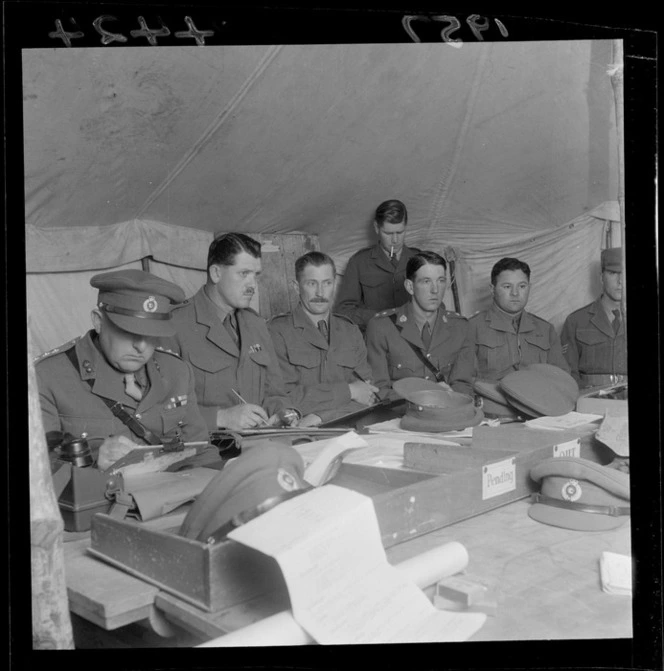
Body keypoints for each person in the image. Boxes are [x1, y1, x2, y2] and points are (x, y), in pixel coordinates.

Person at [35, 269, 209, 461]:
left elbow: (201, 452)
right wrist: (91, 461)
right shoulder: (47, 377)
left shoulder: (177, 372)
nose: (141, 346)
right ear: (99, 322)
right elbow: (38, 473)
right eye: (128, 332)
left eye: (151, 335)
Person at [168, 233, 301, 431]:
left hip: (259, 443)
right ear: (216, 273)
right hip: (209, 449)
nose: (252, 285)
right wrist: (220, 418)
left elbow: (275, 392)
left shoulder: (255, 324)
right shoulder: (175, 325)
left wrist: (283, 413)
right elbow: (161, 408)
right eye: (243, 273)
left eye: (256, 275)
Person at [268, 251, 380, 426]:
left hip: (348, 429)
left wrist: (321, 417)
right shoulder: (277, 332)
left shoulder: (350, 331)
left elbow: (369, 396)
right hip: (300, 435)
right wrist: (349, 391)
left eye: (327, 283)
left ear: (334, 284)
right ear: (296, 287)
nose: (320, 292)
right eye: (312, 283)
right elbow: (281, 398)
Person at [365, 250, 473, 397]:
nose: (435, 290)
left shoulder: (460, 328)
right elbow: (378, 391)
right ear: (410, 287)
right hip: (400, 416)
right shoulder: (381, 327)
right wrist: (424, 397)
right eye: (426, 281)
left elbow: (463, 384)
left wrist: (449, 397)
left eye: (441, 281)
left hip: (447, 413)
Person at [466, 257, 569, 384]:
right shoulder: (472, 327)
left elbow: (562, 379)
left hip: (536, 401)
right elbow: (464, 381)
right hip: (490, 401)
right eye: (507, 286)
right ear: (492, 289)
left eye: (522, 286)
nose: (515, 293)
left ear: (529, 287)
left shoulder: (546, 329)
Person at [335, 199, 420, 332]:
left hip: (414, 341)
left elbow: (437, 305)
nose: (395, 240)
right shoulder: (359, 262)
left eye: (400, 232)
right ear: (376, 228)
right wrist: (381, 317)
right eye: (388, 233)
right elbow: (343, 312)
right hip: (377, 342)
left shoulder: (420, 260)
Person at [561, 247, 626, 387]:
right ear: (601, 276)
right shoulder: (576, 321)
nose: (620, 281)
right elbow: (566, 374)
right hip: (590, 402)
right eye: (613, 273)